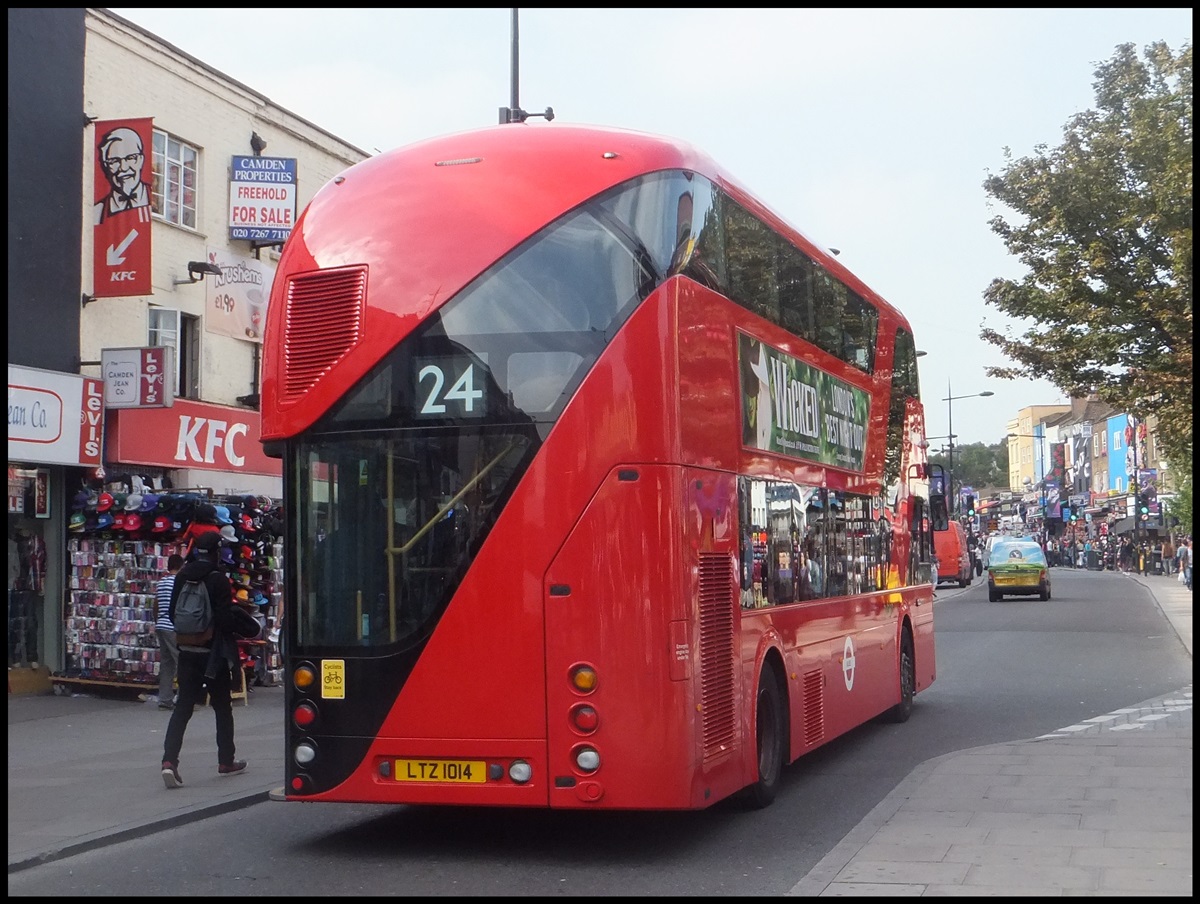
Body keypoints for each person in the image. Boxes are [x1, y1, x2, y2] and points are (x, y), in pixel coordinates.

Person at [161, 531, 246, 789]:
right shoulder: (218, 579)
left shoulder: (182, 575)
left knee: (183, 708)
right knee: (222, 708)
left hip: (187, 651)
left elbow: (171, 611)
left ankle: (169, 761)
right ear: (216, 551)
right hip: (213, 654)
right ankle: (225, 760)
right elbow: (223, 619)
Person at [93, 126, 152, 225]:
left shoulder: (156, 202)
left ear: (141, 160)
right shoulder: (97, 212)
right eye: (114, 161)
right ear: (106, 165)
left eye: (130, 158)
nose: (123, 168)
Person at [154, 554, 184, 710]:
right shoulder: (178, 582)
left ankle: (164, 698)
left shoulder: (161, 583)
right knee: (182, 662)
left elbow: (156, 605)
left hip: (161, 625)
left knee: (167, 664)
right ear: (181, 566)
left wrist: (157, 621)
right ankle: (183, 698)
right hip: (173, 626)